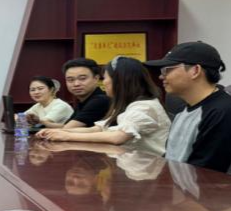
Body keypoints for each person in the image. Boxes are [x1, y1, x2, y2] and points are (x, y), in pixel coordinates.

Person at [145, 41, 231, 180]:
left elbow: (206, 175)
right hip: (187, 188)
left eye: (167, 70)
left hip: (224, 192)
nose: (161, 76)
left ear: (195, 70)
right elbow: (171, 159)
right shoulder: (184, 112)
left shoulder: (225, 112)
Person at [37, 56, 170, 156]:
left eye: (105, 78)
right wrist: (60, 132)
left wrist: (67, 136)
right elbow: (98, 129)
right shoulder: (127, 105)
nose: (104, 82)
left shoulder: (145, 106)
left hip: (151, 171)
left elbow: (118, 137)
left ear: (119, 80)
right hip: (136, 167)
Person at [43, 58, 110, 130]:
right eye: (70, 80)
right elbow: (66, 126)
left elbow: (67, 129)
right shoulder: (84, 101)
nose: (76, 84)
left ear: (96, 78)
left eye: (82, 78)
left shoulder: (101, 100)